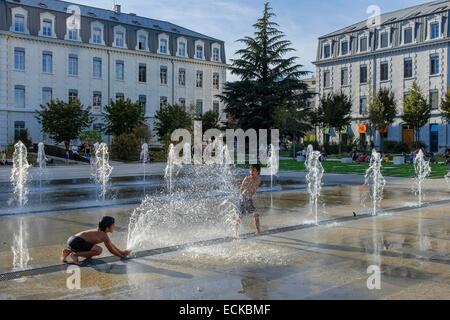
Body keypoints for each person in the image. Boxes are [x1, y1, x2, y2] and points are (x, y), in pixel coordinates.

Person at [61, 216, 131, 265]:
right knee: (98, 250)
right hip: (77, 241)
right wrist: (122, 256)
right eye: (113, 225)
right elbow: (111, 250)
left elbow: (111, 244)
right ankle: (75, 255)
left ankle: (67, 251)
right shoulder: (103, 235)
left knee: (89, 255)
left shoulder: (100, 231)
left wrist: (122, 252)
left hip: (72, 240)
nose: (114, 227)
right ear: (107, 227)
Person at [240, 164, 262, 235]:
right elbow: (241, 188)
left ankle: (258, 231)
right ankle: (235, 231)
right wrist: (245, 190)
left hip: (249, 199)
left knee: (255, 214)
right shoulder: (247, 178)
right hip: (243, 198)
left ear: (258, 172)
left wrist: (250, 193)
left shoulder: (258, 180)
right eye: (250, 170)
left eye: (253, 170)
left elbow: (254, 189)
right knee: (240, 215)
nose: (251, 172)